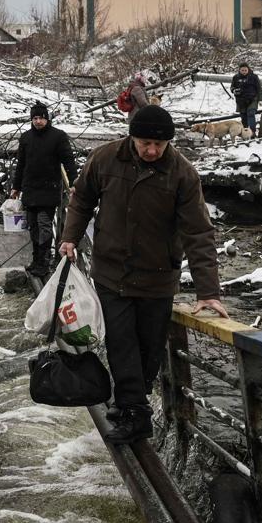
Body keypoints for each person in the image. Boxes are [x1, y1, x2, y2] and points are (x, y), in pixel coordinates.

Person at [57, 104, 228, 445]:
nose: (151, 150)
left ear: (169, 144)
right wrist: (69, 238)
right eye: (145, 143)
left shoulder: (182, 174)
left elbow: (198, 233)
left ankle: (129, 403)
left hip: (157, 276)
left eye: (159, 145)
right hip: (111, 272)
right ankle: (136, 415)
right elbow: (82, 200)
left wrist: (208, 291)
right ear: (132, 137)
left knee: (149, 350)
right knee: (121, 343)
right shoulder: (105, 159)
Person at [9, 103, 78, 280]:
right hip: (30, 188)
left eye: (41, 118)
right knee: (33, 226)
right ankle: (36, 260)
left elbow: (69, 161)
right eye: (35, 118)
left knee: (44, 225)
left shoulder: (58, 137)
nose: (38, 121)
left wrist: (74, 182)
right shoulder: (25, 138)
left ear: (47, 118)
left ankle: (44, 262)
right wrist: (16, 187)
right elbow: (21, 165)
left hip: (49, 189)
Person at [230, 62, 262, 133]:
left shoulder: (254, 77)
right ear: (239, 70)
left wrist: (260, 100)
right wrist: (234, 90)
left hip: (253, 99)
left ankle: (252, 132)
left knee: (250, 113)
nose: (244, 72)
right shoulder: (235, 77)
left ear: (248, 69)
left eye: (245, 70)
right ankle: (245, 132)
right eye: (242, 70)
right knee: (243, 117)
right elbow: (232, 87)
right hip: (241, 100)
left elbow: (259, 89)